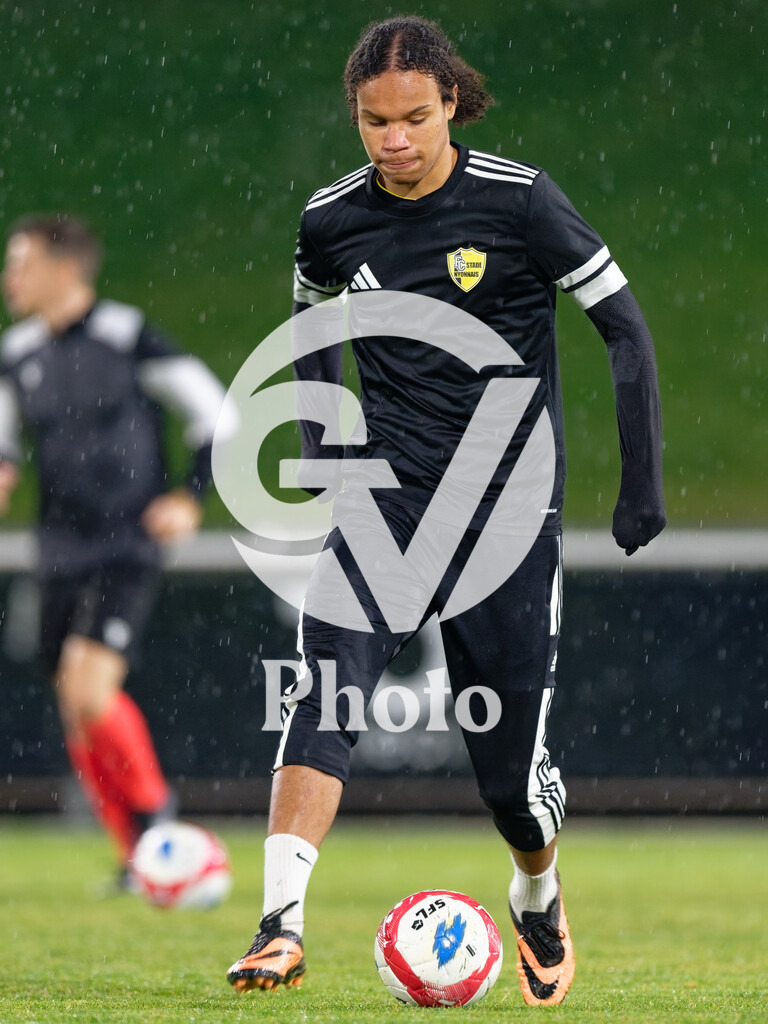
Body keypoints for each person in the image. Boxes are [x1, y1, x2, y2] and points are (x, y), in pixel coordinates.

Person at [226, 15, 665, 1006]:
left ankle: (537, 890)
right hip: (387, 509)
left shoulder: (522, 201)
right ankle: (279, 925)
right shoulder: (331, 220)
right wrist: (324, 455)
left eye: (414, 119)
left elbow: (625, 330)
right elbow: (309, 328)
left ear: (453, 104)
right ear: (355, 115)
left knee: (510, 784)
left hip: (506, 519)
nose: (395, 140)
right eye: (374, 121)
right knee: (324, 693)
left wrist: (641, 482)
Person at [0, 214, 236, 889]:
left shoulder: (126, 335)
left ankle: (159, 826)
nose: (10, 277)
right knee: (74, 706)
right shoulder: (16, 351)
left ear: (65, 268)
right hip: (57, 548)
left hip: (125, 541)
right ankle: (137, 858)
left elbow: (218, 414)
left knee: (91, 689)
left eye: (22, 263)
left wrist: (190, 494)